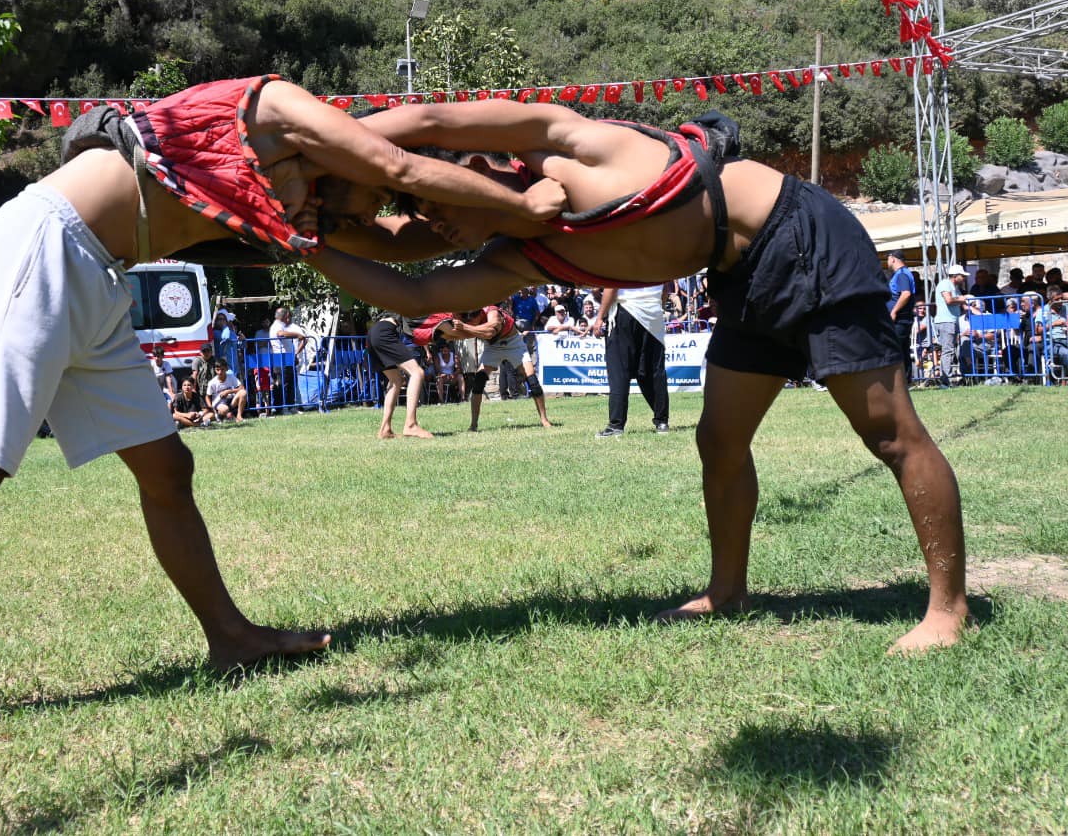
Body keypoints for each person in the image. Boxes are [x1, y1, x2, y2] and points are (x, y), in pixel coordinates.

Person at [0, 74, 547, 739]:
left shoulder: (294, 201)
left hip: (100, 277)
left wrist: (508, 234)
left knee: (168, 469)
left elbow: (400, 250)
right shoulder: (276, 106)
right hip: (40, 250)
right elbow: (398, 161)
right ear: (353, 160)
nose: (357, 221)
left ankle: (230, 637)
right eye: (369, 202)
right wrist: (532, 208)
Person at [311, 99, 968, 652]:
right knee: (719, 441)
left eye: (432, 207)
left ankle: (948, 610)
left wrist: (334, 136)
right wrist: (303, 240)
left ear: (477, 169)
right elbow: (416, 290)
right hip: (741, 273)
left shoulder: (571, 144)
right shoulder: (522, 255)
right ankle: (728, 591)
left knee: (888, 433)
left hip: (802, 233)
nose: (435, 228)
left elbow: (431, 119)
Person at [448, 302, 553, 431]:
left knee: (533, 382)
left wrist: (464, 327)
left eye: (475, 322)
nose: (473, 324)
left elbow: (489, 332)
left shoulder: (493, 313)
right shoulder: (467, 317)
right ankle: (473, 424)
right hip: (492, 347)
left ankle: (544, 419)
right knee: (478, 382)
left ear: (480, 314)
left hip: (513, 343)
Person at [592, 284, 671, 437]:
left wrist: (600, 316)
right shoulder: (662, 259)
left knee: (619, 371)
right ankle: (662, 422)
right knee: (653, 370)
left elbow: (612, 287)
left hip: (626, 311)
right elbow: (666, 289)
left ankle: (616, 425)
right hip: (653, 314)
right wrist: (654, 305)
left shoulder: (622, 259)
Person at [364, 314, 435, 439]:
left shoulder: (395, 302)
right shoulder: (413, 303)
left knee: (396, 381)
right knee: (417, 373)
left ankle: (385, 430)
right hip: (385, 333)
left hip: (373, 333)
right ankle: (411, 425)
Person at [930, 266, 967, 388]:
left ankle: (946, 379)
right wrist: (961, 299)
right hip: (946, 321)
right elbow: (949, 300)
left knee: (949, 350)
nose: (964, 278)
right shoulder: (945, 284)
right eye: (962, 276)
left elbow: (961, 302)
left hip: (951, 321)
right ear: (955, 276)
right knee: (948, 351)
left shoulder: (955, 288)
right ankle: (946, 381)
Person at [886, 252, 917, 380]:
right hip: (902, 318)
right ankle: (906, 380)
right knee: (902, 349)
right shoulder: (902, 274)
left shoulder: (902, 275)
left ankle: (898, 381)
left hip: (900, 319)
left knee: (895, 348)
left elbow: (905, 294)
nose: (887, 262)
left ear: (893, 259)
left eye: (888, 259)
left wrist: (894, 311)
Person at [205, 358, 249, 422]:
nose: (220, 372)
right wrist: (210, 407)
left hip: (231, 401)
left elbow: (242, 388)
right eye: (218, 370)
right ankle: (221, 415)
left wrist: (228, 391)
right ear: (215, 370)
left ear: (226, 369)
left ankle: (239, 416)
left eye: (222, 369)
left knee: (243, 393)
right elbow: (207, 396)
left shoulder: (230, 377)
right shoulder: (212, 382)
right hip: (219, 403)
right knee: (224, 409)